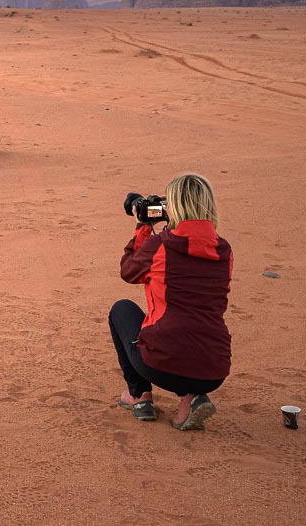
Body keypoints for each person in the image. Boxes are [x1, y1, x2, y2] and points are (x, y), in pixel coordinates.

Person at [109, 173, 232, 430]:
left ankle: (139, 395)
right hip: (214, 368)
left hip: (161, 364)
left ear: (173, 206)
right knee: (191, 325)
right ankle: (191, 400)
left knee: (122, 310)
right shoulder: (224, 250)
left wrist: (143, 226)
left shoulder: (161, 245)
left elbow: (129, 271)